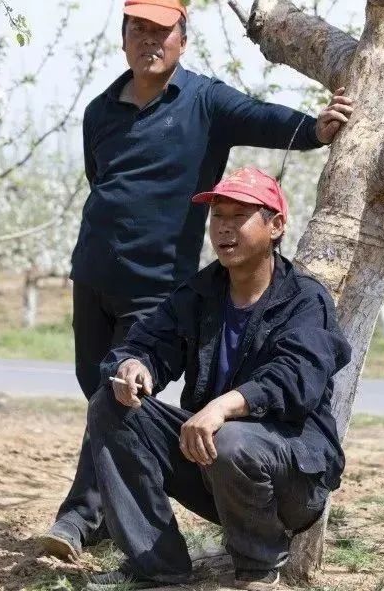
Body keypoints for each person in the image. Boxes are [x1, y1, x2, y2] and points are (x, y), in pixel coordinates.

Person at [39, 0, 354, 559]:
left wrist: (315, 129)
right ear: (123, 39)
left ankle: (80, 519)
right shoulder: (99, 112)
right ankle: (110, 510)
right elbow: (101, 182)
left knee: (124, 401)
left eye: (161, 32)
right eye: (138, 31)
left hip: (157, 284)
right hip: (94, 274)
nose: (149, 42)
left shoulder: (205, 102)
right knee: (101, 390)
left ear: (182, 40)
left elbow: (265, 119)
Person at [86, 167, 350, 591]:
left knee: (230, 437)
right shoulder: (199, 293)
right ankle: (156, 564)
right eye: (217, 217)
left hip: (293, 480)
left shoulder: (305, 299)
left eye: (239, 216)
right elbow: (149, 343)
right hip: (216, 468)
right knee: (111, 405)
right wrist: (133, 366)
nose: (224, 228)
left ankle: (258, 568)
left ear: (276, 225)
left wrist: (222, 406)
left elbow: (296, 378)